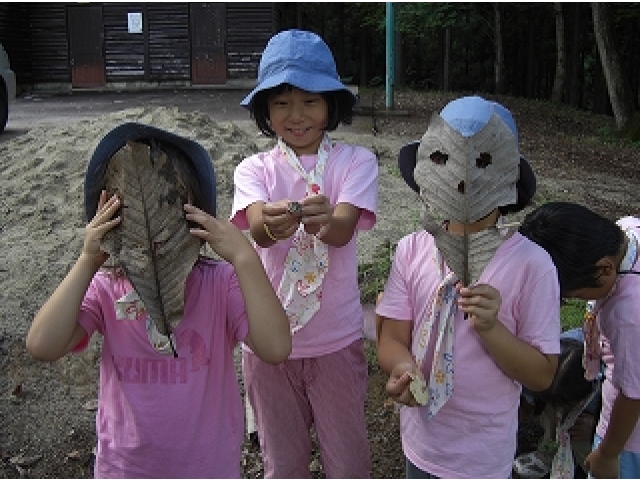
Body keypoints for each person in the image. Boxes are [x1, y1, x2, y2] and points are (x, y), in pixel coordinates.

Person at [25, 122, 292, 479]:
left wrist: (245, 258)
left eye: (172, 213)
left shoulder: (219, 282)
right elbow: (42, 344)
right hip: (125, 469)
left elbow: (275, 347)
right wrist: (88, 261)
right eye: (128, 215)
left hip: (207, 469)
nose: (154, 235)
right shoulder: (107, 287)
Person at [375, 95, 561, 478]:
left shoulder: (532, 266)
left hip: (484, 459)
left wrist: (492, 330)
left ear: (508, 178)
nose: (463, 177)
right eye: (444, 158)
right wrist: (403, 366)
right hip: (422, 446)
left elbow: (542, 375)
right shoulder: (413, 250)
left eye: (483, 162)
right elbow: (391, 337)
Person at [230, 29, 378, 478]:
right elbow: (256, 229)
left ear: (332, 104)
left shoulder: (355, 161)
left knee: (349, 462)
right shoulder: (254, 168)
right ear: (264, 110)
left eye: (310, 101)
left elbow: (342, 229)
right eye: (281, 103)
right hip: (269, 346)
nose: (296, 115)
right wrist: (273, 221)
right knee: (283, 462)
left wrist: (323, 220)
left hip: (336, 341)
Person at [519, 201, 640, 479]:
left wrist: (609, 453)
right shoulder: (627, 230)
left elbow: (633, 394)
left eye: (572, 295)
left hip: (628, 441)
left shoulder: (627, 315)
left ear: (605, 269)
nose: (570, 301)